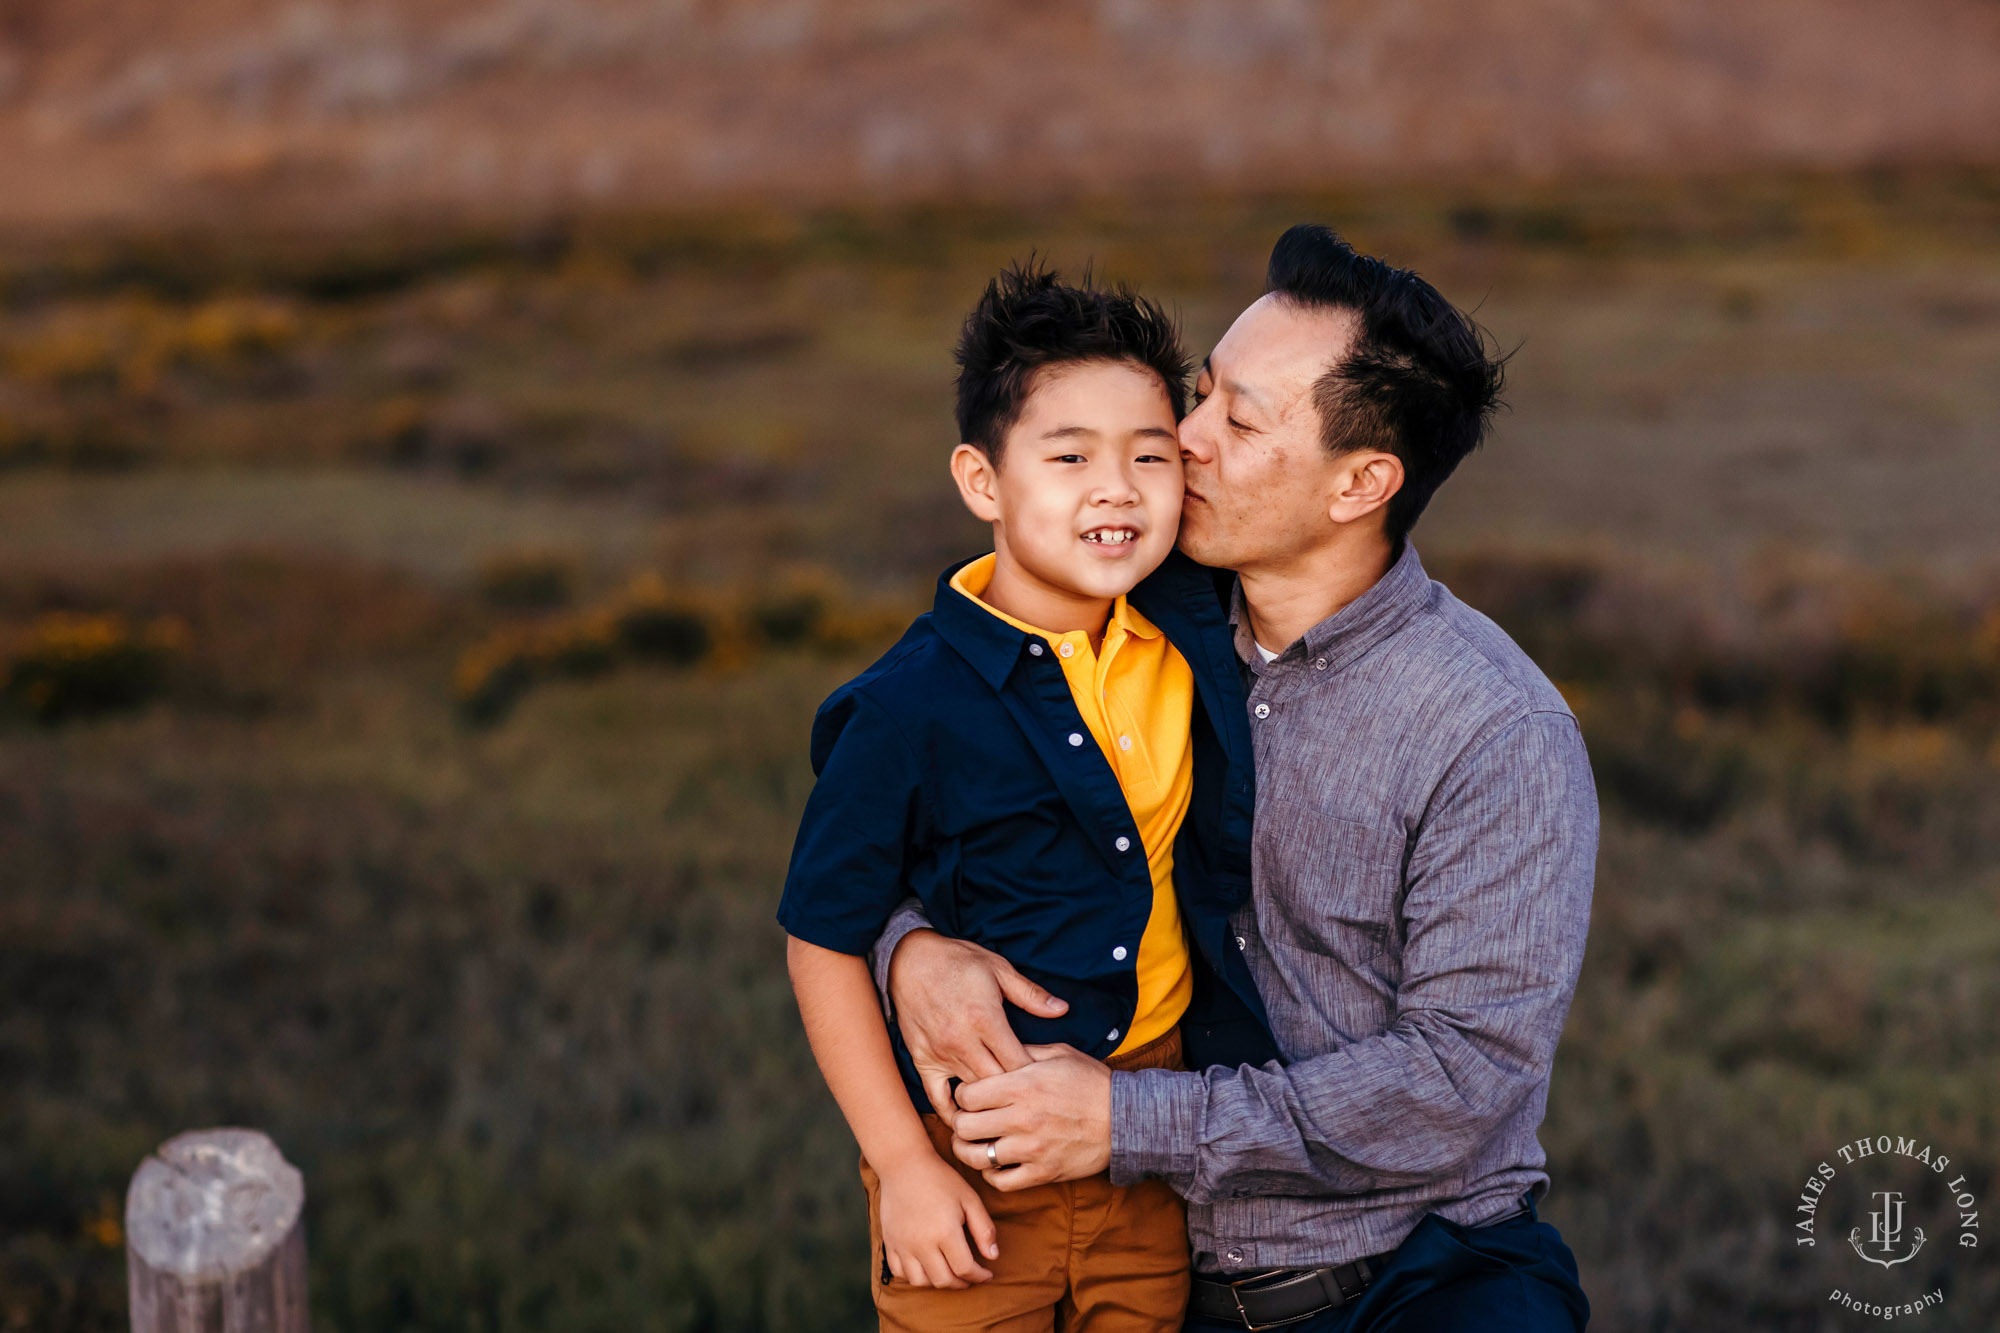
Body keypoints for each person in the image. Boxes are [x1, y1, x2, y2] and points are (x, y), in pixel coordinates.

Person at [873, 225, 1599, 1331]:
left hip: (1418, 1281)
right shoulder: (1113, 613)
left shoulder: (1492, 728)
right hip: (1140, 1274)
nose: (1183, 436)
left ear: (1361, 482)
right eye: (1198, 391)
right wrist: (910, 947)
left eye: (1237, 420)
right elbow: (901, 796)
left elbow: (1458, 1080)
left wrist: (1127, 1121)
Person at [777, 261, 1280, 1332]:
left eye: (1149, 457)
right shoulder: (908, 705)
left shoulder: (1182, 634)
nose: (1115, 490)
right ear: (981, 481)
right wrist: (903, 1164)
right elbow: (822, 938)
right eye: (1068, 458)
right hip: (975, 1151)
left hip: (1145, 1130)